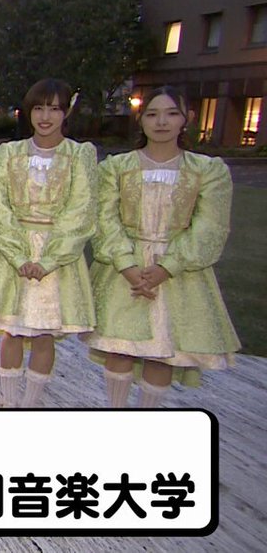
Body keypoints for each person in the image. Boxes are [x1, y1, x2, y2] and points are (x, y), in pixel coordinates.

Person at [83, 87, 240, 407]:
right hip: (124, 269)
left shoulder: (207, 170)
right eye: (153, 114)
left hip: (177, 274)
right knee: (120, 347)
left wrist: (167, 267)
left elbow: (210, 226)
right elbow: (103, 217)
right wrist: (127, 264)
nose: (162, 122)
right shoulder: (116, 167)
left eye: (171, 114)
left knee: (161, 352)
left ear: (186, 119)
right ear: (141, 120)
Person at [0, 78, 98, 408]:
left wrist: (49, 259)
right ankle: (9, 401)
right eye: (39, 108)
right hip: (13, 252)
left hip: (57, 257)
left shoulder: (79, 155)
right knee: (13, 330)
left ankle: (31, 403)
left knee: (45, 333)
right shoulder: (10, 153)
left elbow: (81, 209)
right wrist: (18, 255)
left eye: (54, 109)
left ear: (66, 112)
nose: (46, 117)